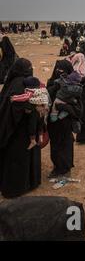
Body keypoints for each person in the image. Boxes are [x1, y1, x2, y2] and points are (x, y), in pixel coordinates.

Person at [0, 59, 42, 198]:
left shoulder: (18, 82)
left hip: (25, 129)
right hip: (18, 131)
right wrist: (29, 108)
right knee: (18, 159)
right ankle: (16, 188)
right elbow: (15, 107)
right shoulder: (19, 84)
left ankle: (30, 182)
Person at [47, 61, 83, 178]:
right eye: (58, 70)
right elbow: (46, 98)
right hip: (53, 122)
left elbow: (78, 107)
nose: (59, 72)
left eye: (62, 70)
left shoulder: (73, 85)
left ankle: (66, 168)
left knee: (66, 145)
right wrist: (55, 87)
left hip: (66, 121)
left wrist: (65, 106)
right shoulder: (52, 82)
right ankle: (57, 167)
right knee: (55, 145)